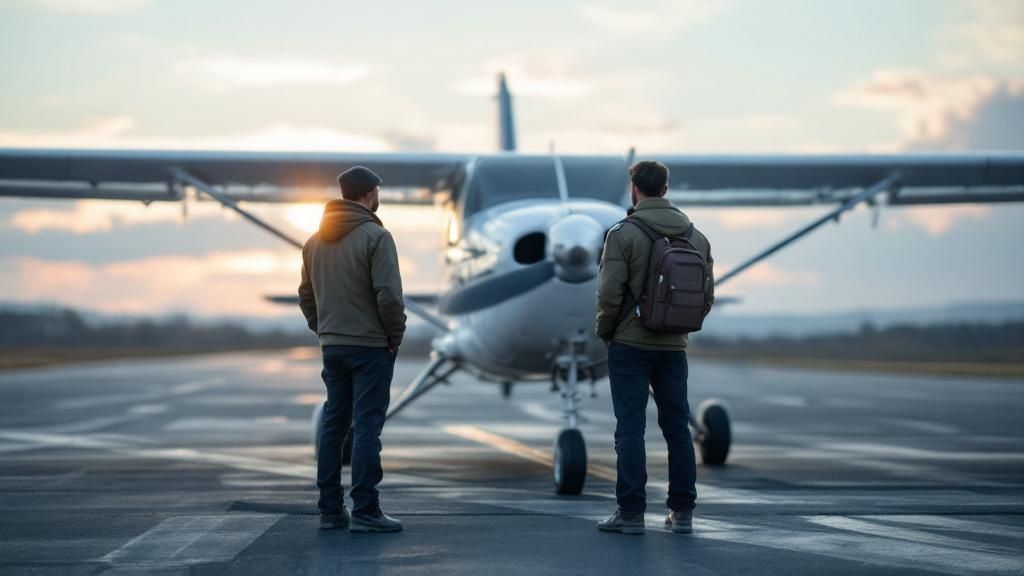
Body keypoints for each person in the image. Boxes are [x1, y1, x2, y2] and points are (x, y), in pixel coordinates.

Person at [594, 160, 714, 535]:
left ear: (635, 190)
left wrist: (606, 331)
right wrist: (680, 327)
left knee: (630, 428)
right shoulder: (697, 236)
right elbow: (706, 295)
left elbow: (608, 293)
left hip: (629, 344)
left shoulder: (621, 234)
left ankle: (630, 514)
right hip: (674, 347)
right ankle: (682, 514)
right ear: (665, 188)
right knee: (677, 428)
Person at [298, 166, 407, 533]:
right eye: (377, 189)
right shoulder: (376, 236)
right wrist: (394, 335)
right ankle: (366, 510)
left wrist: (323, 330)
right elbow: (389, 295)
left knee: (334, 428)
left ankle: (330, 511)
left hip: (334, 348)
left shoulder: (313, 242)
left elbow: (306, 296)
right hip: (370, 347)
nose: (379, 195)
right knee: (366, 428)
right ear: (369, 194)